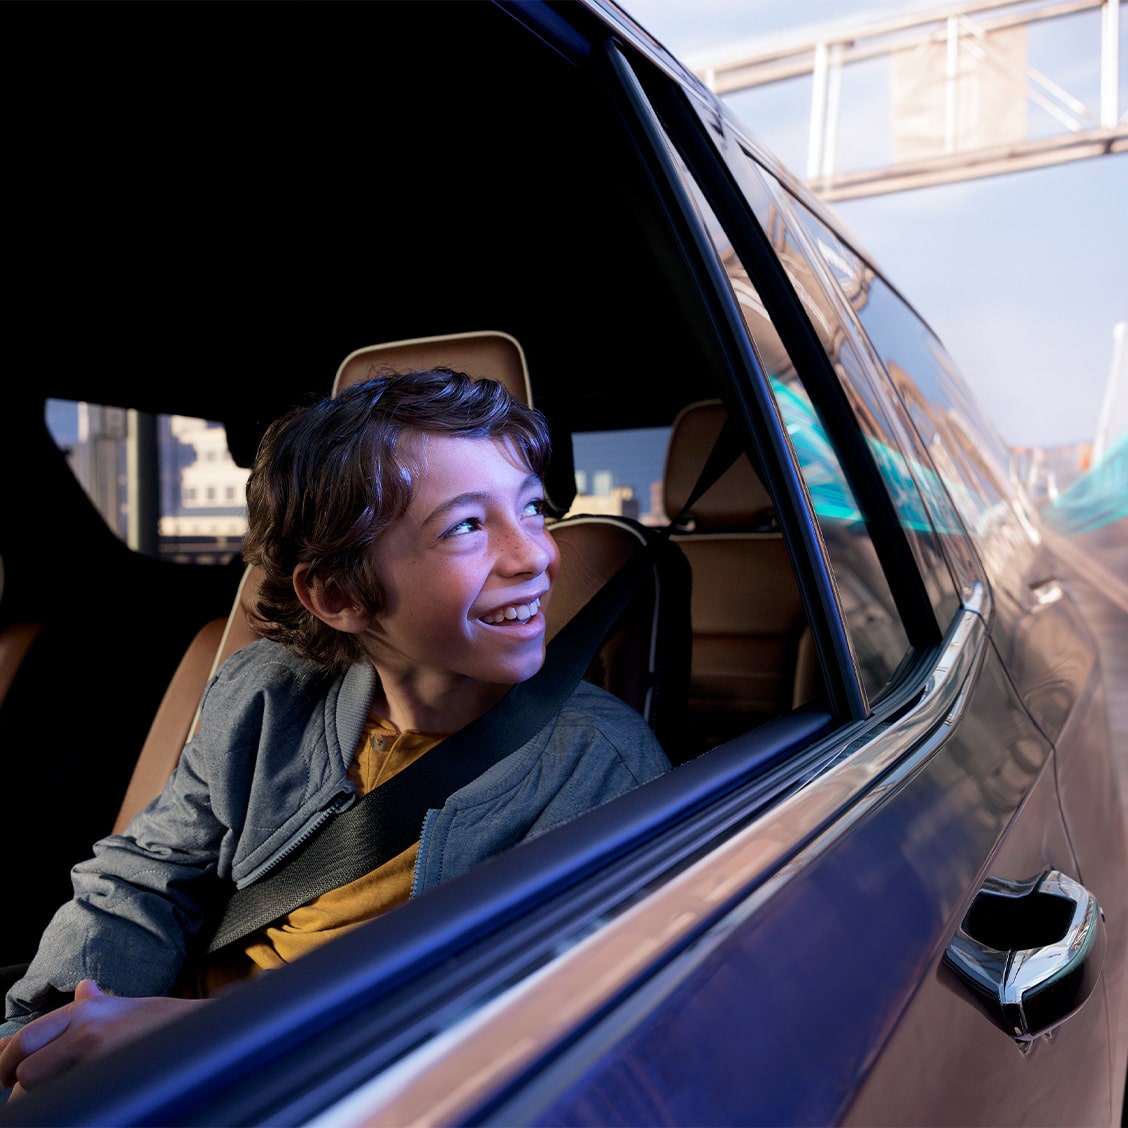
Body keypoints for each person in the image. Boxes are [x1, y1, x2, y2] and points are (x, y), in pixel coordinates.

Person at [0, 368, 671, 1101]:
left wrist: (194, 1035)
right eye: (468, 526)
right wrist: (46, 1028)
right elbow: (145, 875)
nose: (536, 555)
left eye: (534, 509)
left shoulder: (598, 763)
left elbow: (528, 1017)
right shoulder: (264, 692)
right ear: (339, 595)